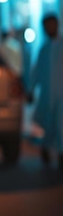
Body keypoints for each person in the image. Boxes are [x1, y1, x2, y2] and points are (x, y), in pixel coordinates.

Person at [27, 13, 63, 171]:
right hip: (48, 95)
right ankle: (46, 149)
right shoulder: (44, 50)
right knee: (47, 123)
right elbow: (36, 72)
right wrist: (30, 89)